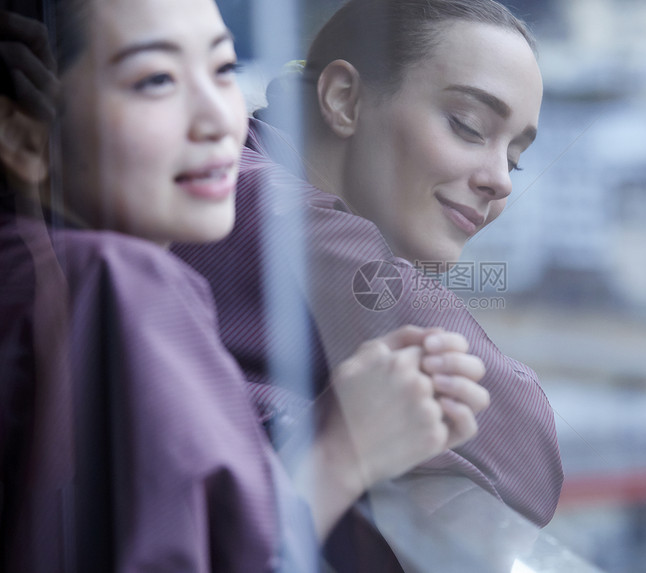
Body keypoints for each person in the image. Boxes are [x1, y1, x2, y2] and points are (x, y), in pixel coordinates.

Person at [0, 0, 490, 570]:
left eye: (224, 70)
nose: (217, 118)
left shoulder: (33, 277)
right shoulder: (110, 282)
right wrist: (341, 451)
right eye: (156, 79)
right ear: (24, 139)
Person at [174, 0, 564, 563]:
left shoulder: (248, 180)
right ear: (342, 99)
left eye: (517, 158)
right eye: (468, 126)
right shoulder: (264, 206)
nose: (501, 181)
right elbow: (524, 445)